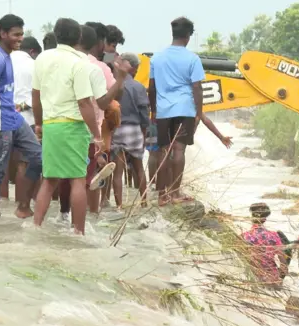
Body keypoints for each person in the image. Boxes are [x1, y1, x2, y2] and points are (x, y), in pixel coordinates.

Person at [31, 18, 101, 234]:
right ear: (78, 38)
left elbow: (36, 94)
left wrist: (39, 123)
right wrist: (97, 135)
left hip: (51, 125)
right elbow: (84, 102)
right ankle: (78, 232)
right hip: (72, 126)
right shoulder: (79, 63)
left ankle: (35, 227)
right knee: (78, 181)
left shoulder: (42, 58)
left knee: (49, 180)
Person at [56, 23, 127, 221]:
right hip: (91, 126)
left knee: (61, 177)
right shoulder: (99, 67)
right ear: (100, 42)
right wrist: (120, 78)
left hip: (59, 124)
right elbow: (109, 101)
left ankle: (62, 215)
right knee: (87, 177)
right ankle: (87, 219)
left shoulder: (62, 61)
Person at [0, 14, 42, 218]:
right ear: (3, 34)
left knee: (39, 157)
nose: (20, 38)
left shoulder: (8, 56)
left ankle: (23, 206)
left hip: (14, 118)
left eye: (22, 34)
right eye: (16, 34)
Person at [149, 17, 204, 206]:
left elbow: (152, 87)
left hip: (163, 111)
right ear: (188, 36)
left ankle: (161, 195)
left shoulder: (157, 57)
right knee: (179, 150)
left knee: (163, 152)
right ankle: (175, 192)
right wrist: (199, 112)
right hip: (184, 109)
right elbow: (197, 87)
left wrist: (154, 111)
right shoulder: (192, 59)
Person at [111, 52, 148, 209]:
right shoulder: (138, 87)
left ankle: (119, 206)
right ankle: (144, 202)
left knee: (117, 171)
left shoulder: (112, 85)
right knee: (138, 167)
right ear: (135, 69)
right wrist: (144, 134)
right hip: (134, 129)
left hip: (116, 129)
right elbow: (144, 113)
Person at [11, 36, 42, 203]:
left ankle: (2, 208)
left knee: (3, 166)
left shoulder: (4, 59)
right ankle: (23, 205)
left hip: (1, 118)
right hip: (27, 120)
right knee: (25, 163)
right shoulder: (34, 65)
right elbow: (38, 97)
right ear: (32, 51)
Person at [241, 203, 290, 287]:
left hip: (251, 279)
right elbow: (283, 264)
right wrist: (280, 277)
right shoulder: (274, 235)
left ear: (251, 218)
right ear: (265, 219)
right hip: (271, 279)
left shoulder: (244, 236)